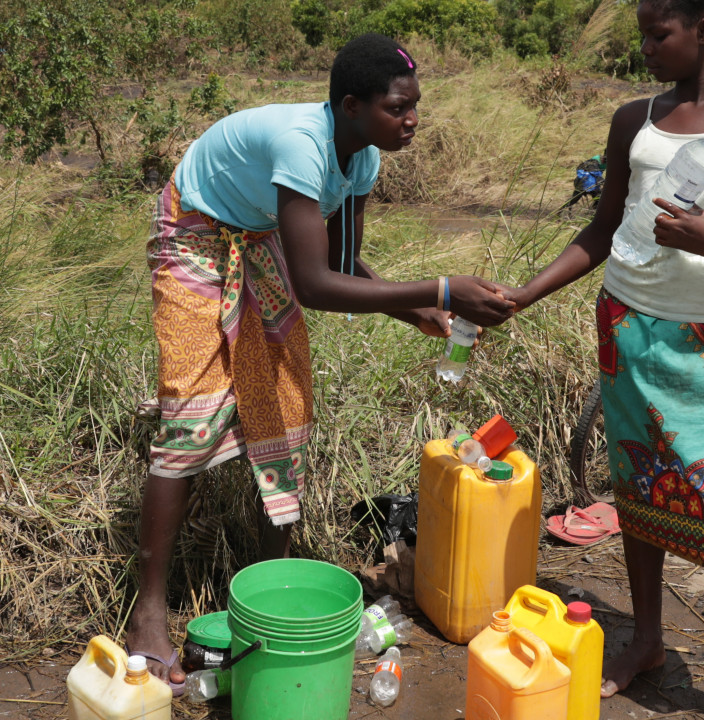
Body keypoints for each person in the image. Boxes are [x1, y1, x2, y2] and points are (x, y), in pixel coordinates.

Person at [127, 33, 515, 692]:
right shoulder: (302, 144)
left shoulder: (361, 158)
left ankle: (271, 588)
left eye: (415, 105)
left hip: (255, 237)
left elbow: (338, 267)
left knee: (284, 404)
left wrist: (413, 310)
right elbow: (314, 286)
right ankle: (147, 613)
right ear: (351, 105)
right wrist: (440, 288)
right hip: (195, 233)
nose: (413, 120)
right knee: (191, 419)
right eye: (399, 108)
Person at [503, 0, 704, 714]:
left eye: (660, 34)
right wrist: (525, 293)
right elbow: (606, 224)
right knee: (637, 486)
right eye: (642, 34)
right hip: (623, 325)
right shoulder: (633, 119)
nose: (646, 47)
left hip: (702, 339)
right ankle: (646, 637)